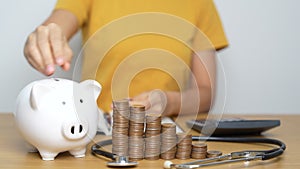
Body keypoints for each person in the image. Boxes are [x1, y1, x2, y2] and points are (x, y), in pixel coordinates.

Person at [23, 0, 228, 117]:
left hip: (167, 131)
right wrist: (46, 36)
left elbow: (205, 93)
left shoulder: (201, 3)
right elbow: (58, 23)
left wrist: (169, 103)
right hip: (97, 127)